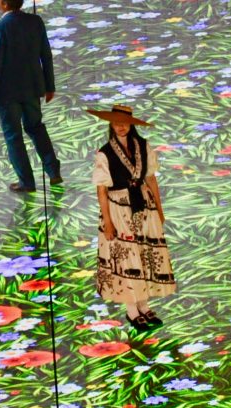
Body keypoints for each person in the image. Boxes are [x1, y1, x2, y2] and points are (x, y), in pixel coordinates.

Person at [87, 105, 176, 331]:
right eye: (116, 123)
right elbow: (101, 190)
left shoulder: (143, 146)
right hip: (119, 209)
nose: (121, 126)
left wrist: (159, 208)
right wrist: (107, 220)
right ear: (111, 124)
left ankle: (144, 305)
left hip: (143, 205)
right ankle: (132, 310)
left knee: (144, 254)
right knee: (127, 258)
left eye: (124, 123)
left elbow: (151, 179)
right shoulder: (105, 152)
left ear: (131, 124)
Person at [0, 0, 63, 193]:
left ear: (2, 4)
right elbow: (46, 54)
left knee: (13, 136)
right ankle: (53, 172)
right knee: (36, 127)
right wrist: (49, 86)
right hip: (33, 89)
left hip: (8, 93)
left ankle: (27, 182)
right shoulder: (35, 21)